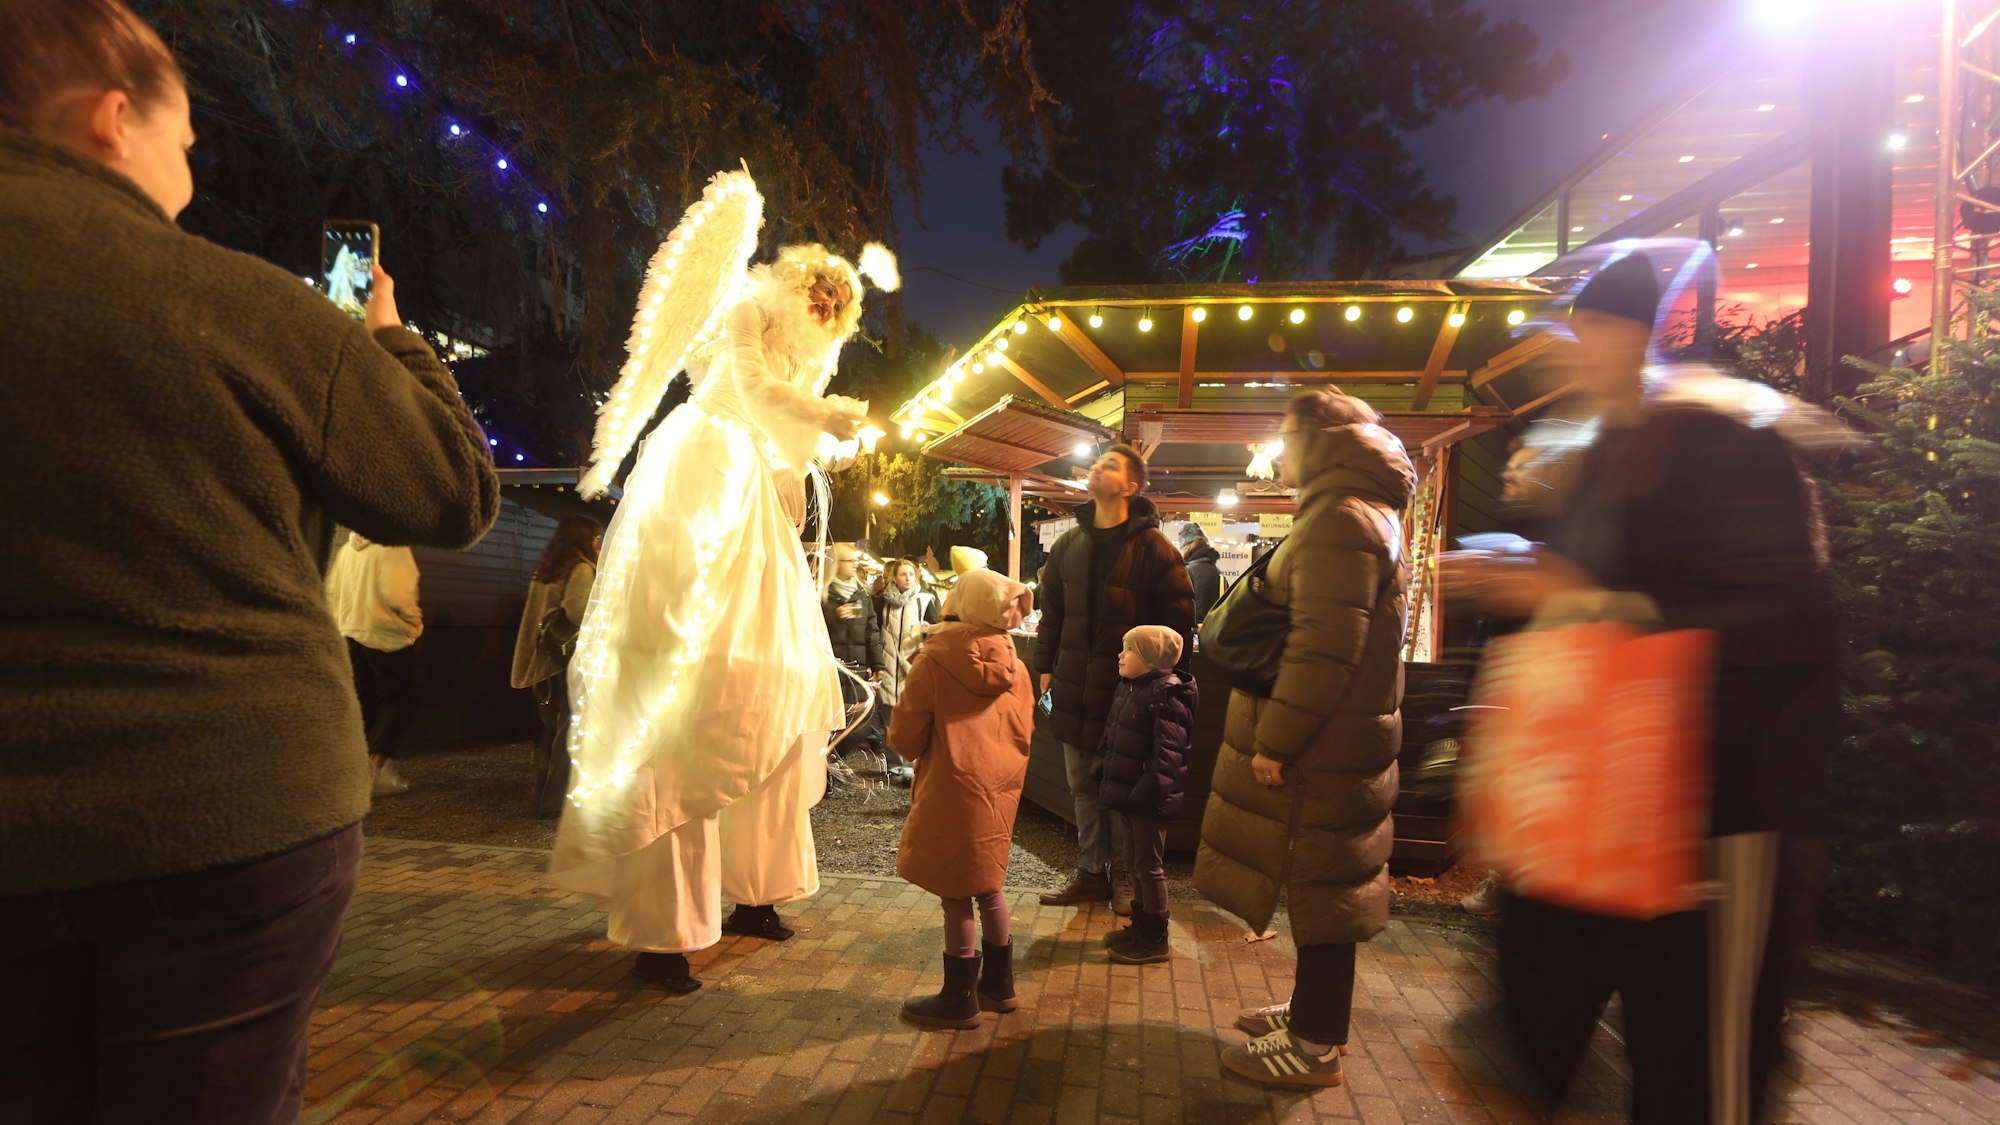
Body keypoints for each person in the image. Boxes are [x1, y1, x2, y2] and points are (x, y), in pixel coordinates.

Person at [0, 3, 500, 1120]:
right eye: (184, 141)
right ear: (109, 115)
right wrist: (385, 341)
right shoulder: (231, 304)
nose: (189, 165)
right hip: (228, 820)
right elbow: (448, 486)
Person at [1441, 249, 1837, 1123]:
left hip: (1708, 831)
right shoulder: (1591, 456)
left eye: (1589, 335)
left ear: (1635, 336)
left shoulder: (1725, 443)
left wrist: (1583, 599)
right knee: (1537, 1028)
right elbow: (1566, 614)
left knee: (1698, 1071)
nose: (1573, 357)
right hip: (1587, 829)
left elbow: (1781, 626)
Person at [549, 242, 888, 996]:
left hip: (761, 507)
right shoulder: (743, 309)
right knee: (685, 704)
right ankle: (663, 933)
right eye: (820, 290)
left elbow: (790, 438)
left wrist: (804, 461)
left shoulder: (817, 356)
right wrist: (821, 417)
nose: (826, 306)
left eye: (839, 300)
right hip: (706, 478)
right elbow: (750, 385)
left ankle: (756, 889)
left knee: (775, 687)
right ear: (798, 281)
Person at [1195, 388, 1414, 1090]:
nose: (1278, 450)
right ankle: (1315, 1012)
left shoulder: (1340, 518)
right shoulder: (1362, 509)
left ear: (1317, 438)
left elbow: (1325, 647)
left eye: (1286, 435)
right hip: (1348, 734)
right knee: (1328, 877)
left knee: (1325, 882)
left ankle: (1315, 1041)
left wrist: (1279, 740)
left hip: (1324, 742)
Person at [1034, 444, 1194, 916]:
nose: (1097, 468)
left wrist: (1167, 687)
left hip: (1132, 695)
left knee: (1124, 787)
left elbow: (1179, 626)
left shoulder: (1156, 549)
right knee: (1082, 785)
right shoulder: (1068, 546)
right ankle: (1089, 873)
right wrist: (1045, 666)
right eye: (1098, 462)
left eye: (1110, 465)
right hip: (1075, 687)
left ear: (1130, 486)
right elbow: (1053, 616)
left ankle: (1124, 874)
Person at [889, 568, 1036, 1028]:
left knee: (955, 890)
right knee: (988, 883)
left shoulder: (933, 661)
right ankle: (1000, 985)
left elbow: (905, 737)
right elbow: (1025, 731)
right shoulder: (1019, 666)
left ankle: (959, 998)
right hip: (999, 789)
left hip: (952, 787)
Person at [1096, 625, 1197, 965]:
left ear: (1151, 657)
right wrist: (1103, 764)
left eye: (1129, 649)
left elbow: (1167, 757)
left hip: (1148, 800)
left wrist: (1146, 793)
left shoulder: (1166, 696)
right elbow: (1114, 734)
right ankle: (1140, 926)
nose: (1120, 655)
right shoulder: (1132, 688)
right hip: (1131, 795)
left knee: (1149, 867)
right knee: (1135, 863)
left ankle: (1155, 937)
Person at [510, 515, 601, 818]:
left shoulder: (546, 570)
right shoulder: (581, 570)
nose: (599, 544)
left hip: (542, 663)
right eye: (596, 539)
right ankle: (554, 804)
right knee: (569, 732)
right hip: (564, 663)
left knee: (551, 733)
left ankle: (543, 799)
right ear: (586, 540)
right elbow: (578, 613)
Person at [325, 529, 426, 797]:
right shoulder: (392, 546)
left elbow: (332, 592)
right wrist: (413, 623)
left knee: (366, 702)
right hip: (385, 635)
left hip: (351, 633)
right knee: (403, 698)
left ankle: (357, 771)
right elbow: (399, 595)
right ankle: (373, 770)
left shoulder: (346, 551)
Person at [875, 556, 941, 784]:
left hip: (912, 666)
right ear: (894, 577)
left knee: (912, 717)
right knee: (889, 718)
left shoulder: (925, 600)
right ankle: (894, 765)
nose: (908, 578)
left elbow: (939, 628)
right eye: (903, 574)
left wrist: (929, 629)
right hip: (888, 665)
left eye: (911, 574)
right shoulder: (882, 601)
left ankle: (911, 765)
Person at [823, 542, 887, 761]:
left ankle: (834, 759)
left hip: (857, 668)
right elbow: (809, 628)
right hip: (830, 668)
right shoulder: (822, 594)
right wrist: (834, 615)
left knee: (858, 724)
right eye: (850, 560)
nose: (855, 564)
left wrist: (877, 664)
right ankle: (827, 770)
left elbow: (872, 631)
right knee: (829, 720)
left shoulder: (862, 594)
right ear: (836, 564)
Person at [1180, 523, 1223, 624]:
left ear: (1186, 546)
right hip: (1213, 629)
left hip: (1194, 631)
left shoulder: (1187, 571)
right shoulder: (1217, 571)